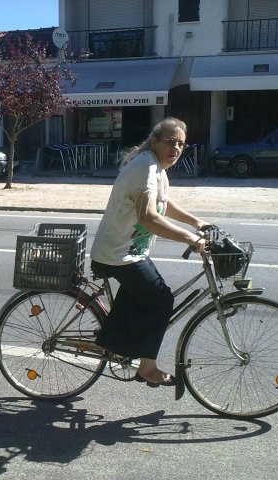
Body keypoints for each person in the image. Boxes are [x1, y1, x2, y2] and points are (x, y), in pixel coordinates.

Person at [90, 117, 208, 387]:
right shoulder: (145, 166)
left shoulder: (156, 168)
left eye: (181, 144)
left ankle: (117, 343)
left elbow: (164, 203)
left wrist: (196, 222)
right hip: (117, 253)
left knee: (144, 297)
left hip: (131, 252)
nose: (176, 148)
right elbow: (148, 217)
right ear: (154, 141)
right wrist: (190, 238)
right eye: (171, 142)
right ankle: (147, 368)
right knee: (161, 300)